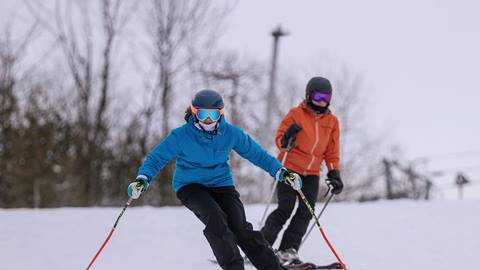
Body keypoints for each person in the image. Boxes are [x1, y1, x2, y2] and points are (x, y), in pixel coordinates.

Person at [127, 89, 303, 270]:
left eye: (213, 115)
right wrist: (142, 179)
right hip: (190, 186)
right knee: (216, 219)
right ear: (194, 113)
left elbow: (257, 154)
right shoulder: (180, 136)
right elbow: (156, 159)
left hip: (221, 184)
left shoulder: (230, 133)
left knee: (240, 227)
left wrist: (282, 172)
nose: (208, 120)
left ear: (221, 113)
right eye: (203, 115)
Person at [260, 77, 344, 265]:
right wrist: (286, 139)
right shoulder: (296, 114)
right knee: (285, 208)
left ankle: (287, 250)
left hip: (312, 173)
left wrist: (334, 173)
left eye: (326, 97)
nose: (322, 101)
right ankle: (260, 246)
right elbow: (280, 138)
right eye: (318, 96)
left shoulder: (332, 122)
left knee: (307, 211)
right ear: (308, 95)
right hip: (290, 169)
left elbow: (332, 151)